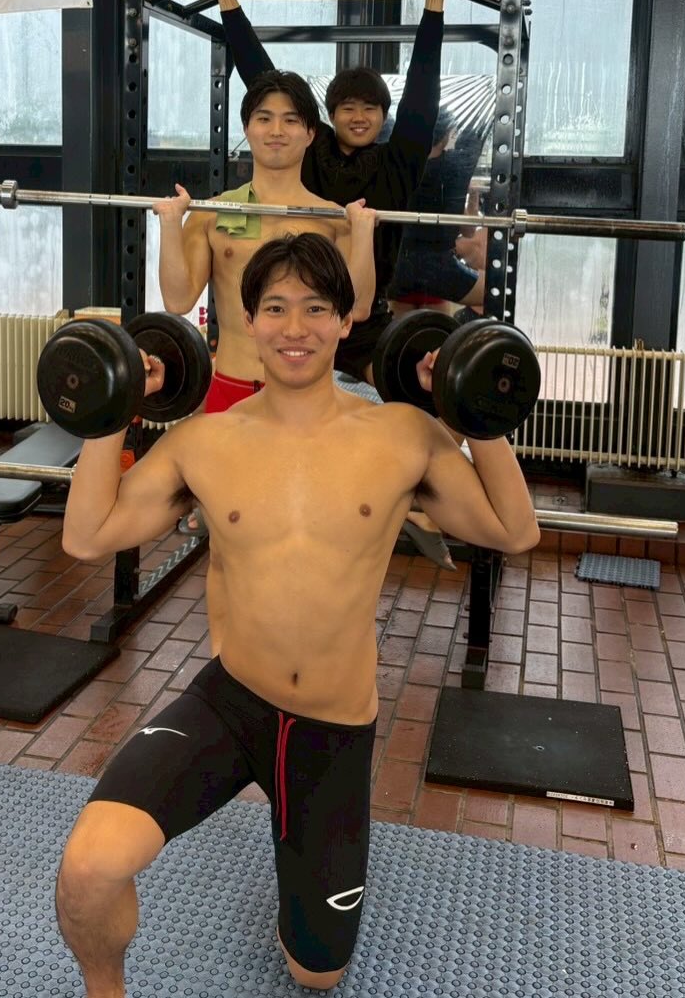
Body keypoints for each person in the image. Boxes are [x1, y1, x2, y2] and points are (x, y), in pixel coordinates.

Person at [54, 233, 539, 998]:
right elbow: (87, 536)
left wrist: (474, 407)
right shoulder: (203, 441)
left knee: (317, 972)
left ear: (346, 319)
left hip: (332, 728)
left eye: (315, 308)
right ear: (248, 321)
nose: (295, 327)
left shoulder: (403, 436)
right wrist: (113, 405)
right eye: (276, 308)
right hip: (230, 702)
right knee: (87, 869)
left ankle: (306, 877)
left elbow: (514, 530)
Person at [199, 0, 460, 382]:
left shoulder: (397, 164)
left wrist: (434, 1)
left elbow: (421, 98)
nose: (359, 117)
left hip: (362, 319)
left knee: (415, 391)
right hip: (302, 315)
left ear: (383, 116)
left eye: (370, 109)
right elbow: (263, 78)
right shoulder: (310, 146)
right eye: (347, 108)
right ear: (328, 116)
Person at [153, 69, 377, 414]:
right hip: (232, 387)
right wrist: (170, 224)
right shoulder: (210, 214)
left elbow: (358, 308)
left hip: (308, 395)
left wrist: (363, 234)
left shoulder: (335, 220)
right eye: (264, 118)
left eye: (290, 120)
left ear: (310, 133)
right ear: (247, 128)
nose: (276, 131)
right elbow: (178, 300)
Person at [387, 112, 486, 313]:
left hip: (398, 272)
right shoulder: (455, 171)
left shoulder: (395, 165)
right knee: (494, 290)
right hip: (439, 270)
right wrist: (471, 194)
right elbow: (468, 232)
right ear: (447, 135)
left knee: (402, 332)